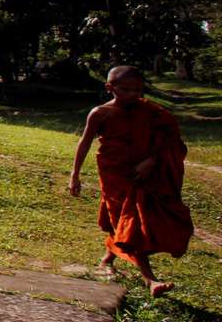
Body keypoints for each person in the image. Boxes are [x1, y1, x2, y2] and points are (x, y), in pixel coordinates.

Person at [69, 65, 194, 297]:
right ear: (110, 87)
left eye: (137, 90)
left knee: (131, 222)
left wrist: (152, 161)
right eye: (125, 89)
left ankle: (107, 259)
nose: (132, 95)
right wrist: (74, 175)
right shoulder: (100, 113)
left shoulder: (151, 112)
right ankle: (151, 280)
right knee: (129, 223)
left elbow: (171, 140)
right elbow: (85, 142)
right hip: (115, 173)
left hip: (145, 174)